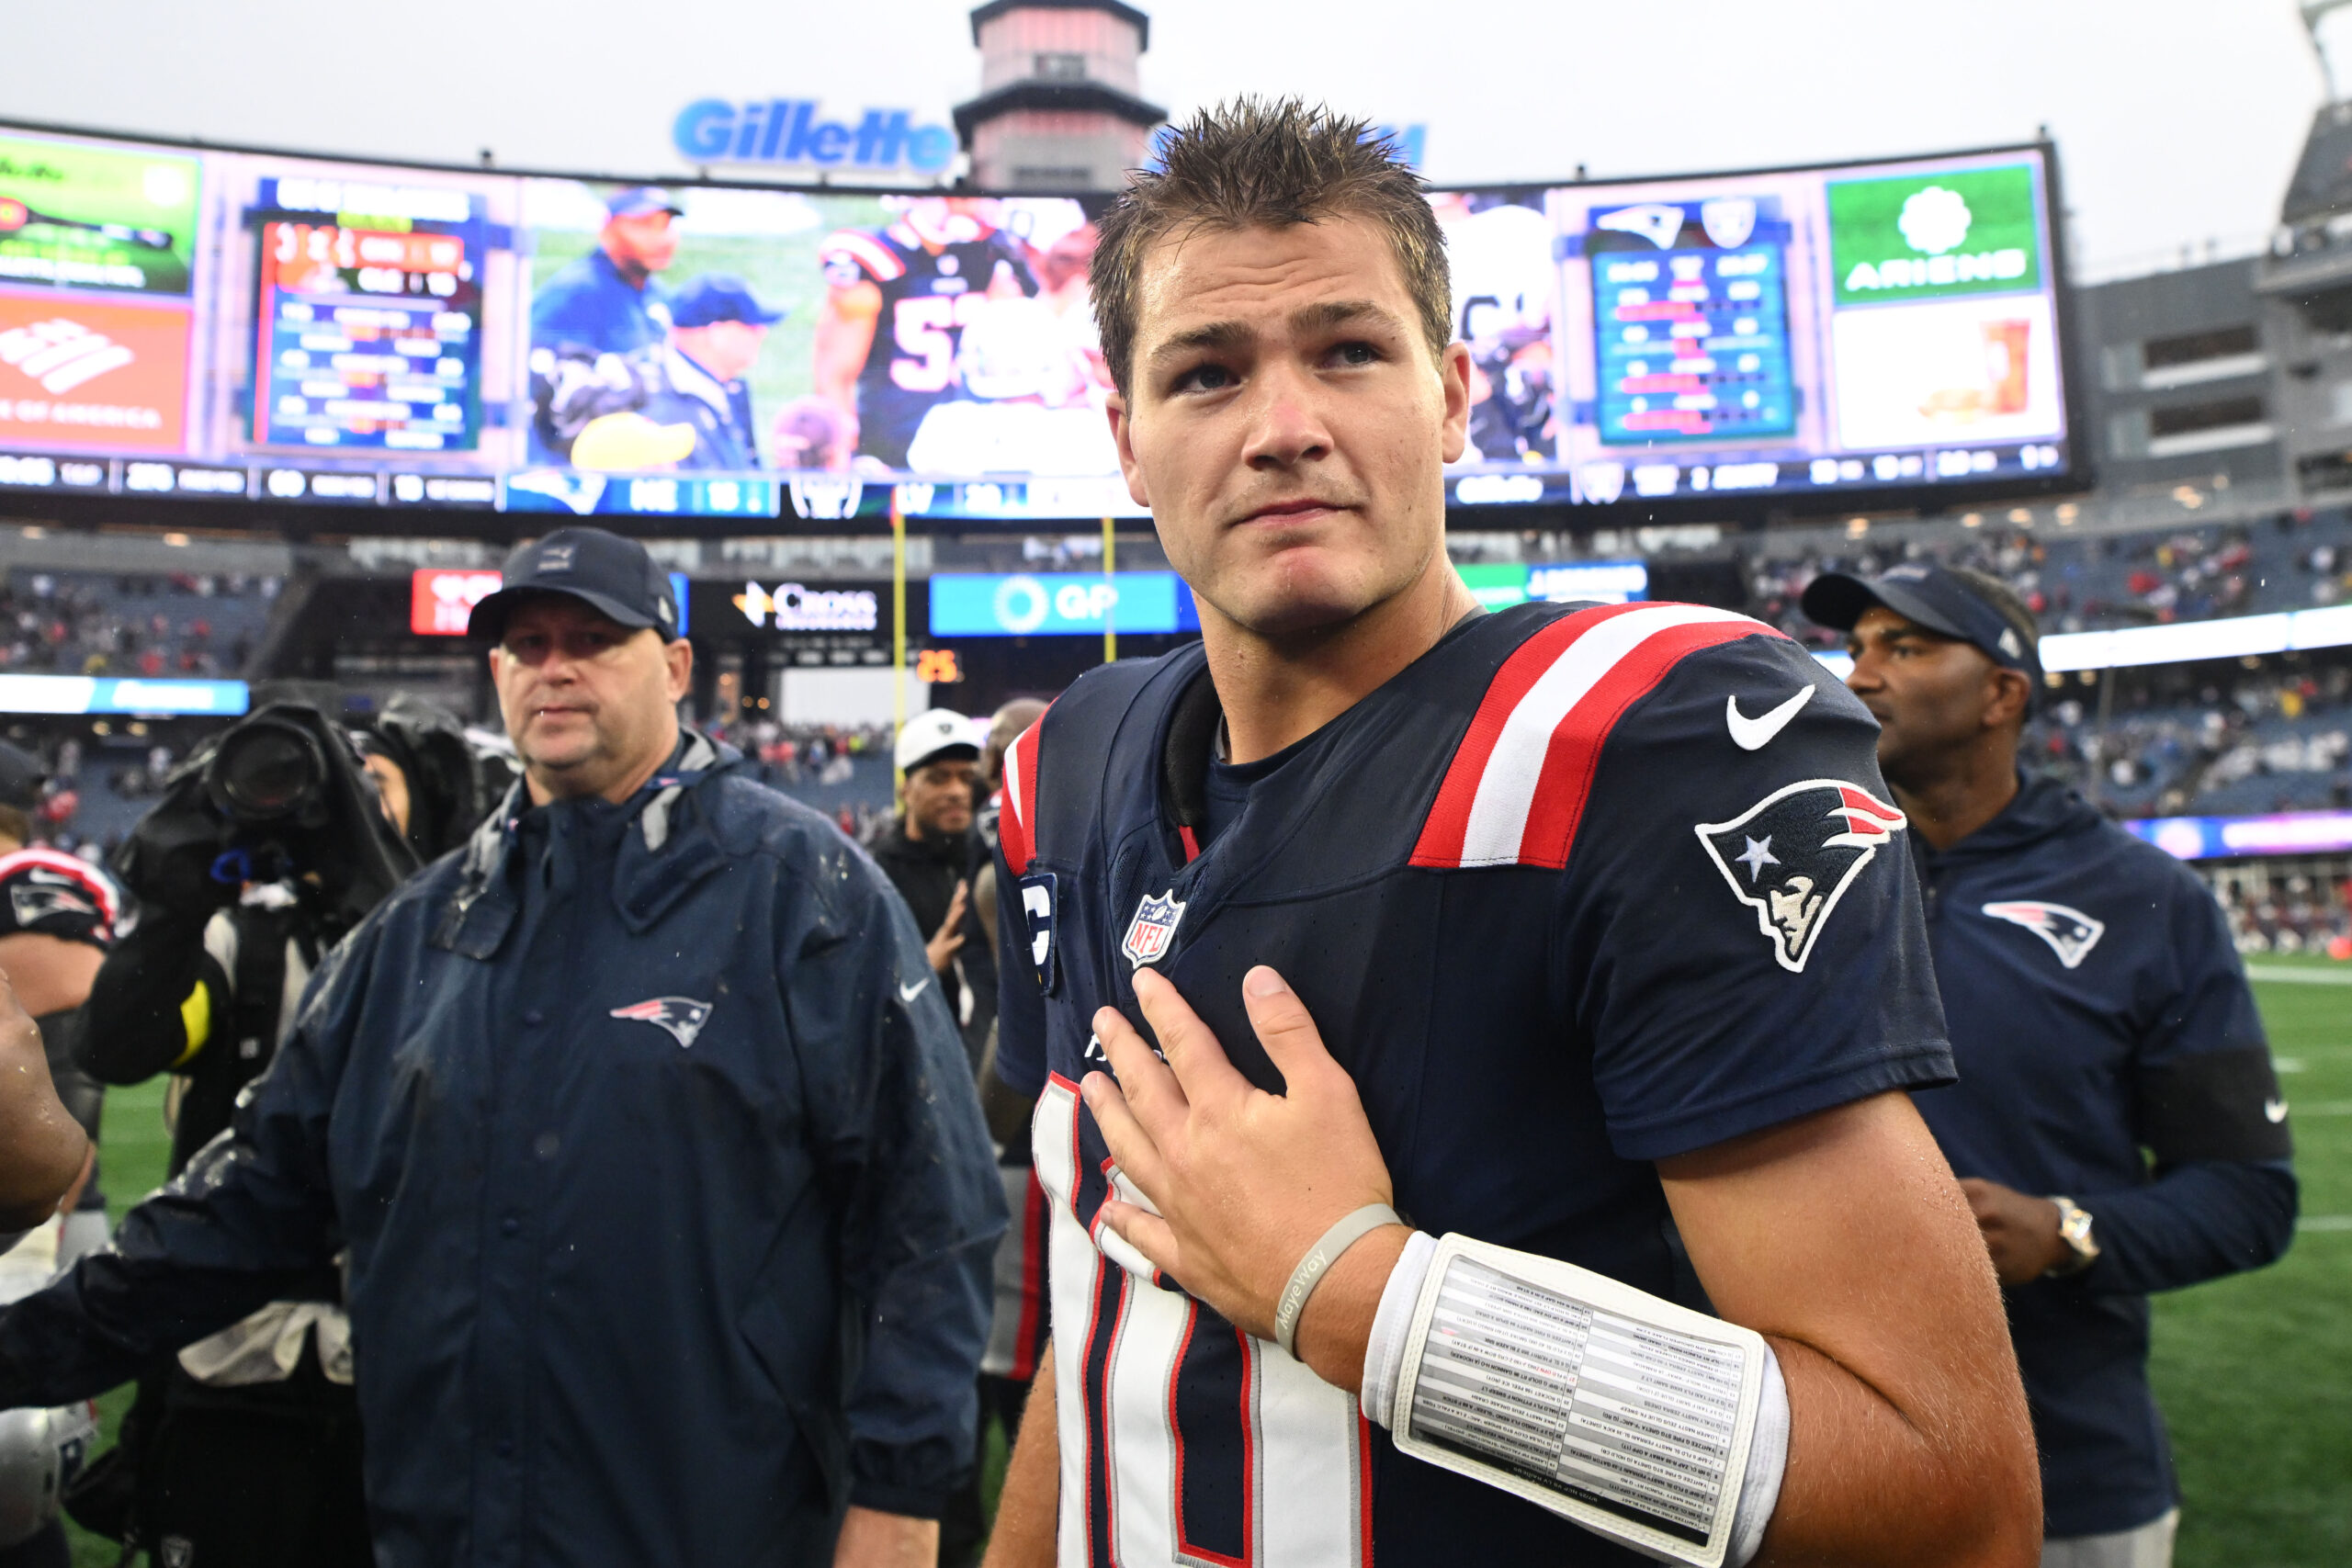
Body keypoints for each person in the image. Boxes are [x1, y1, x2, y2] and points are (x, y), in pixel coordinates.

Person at [981, 99, 2039, 1568]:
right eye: (1207, 373)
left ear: (1454, 395)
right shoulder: (1068, 765)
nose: (1284, 427)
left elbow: (1948, 1485)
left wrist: (1352, 1288)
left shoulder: (1642, 740)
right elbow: (1110, 1304)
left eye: (1349, 351)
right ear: (1128, 442)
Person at [0, 526, 1006, 1568]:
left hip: (721, 1522)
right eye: (528, 644)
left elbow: (928, 1208)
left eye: (592, 639)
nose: (554, 667)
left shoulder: (804, 891)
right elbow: (247, 1205)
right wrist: (18, 1351)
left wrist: (900, 1495)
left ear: (674, 668)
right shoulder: (413, 930)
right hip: (448, 1526)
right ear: (496, 672)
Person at [1800, 562, 2299, 1568]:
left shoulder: (2147, 900)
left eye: (1905, 646)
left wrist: (2066, 1231)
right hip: (1814, 1461)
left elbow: (2248, 1197)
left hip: (2067, 1465)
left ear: (2002, 693)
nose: (1861, 674)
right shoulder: (1793, 873)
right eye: (1856, 648)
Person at [66, 701, 424, 1568]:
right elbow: (117, 1047)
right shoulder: (244, 943)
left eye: (370, 786)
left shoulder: (453, 938)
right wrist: (171, 908)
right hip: (230, 1367)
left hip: (395, 1373)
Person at [814, 197, 1039, 468]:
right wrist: (846, 459)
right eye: (968, 196)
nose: (984, 204)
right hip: (890, 452)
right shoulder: (877, 259)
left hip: (977, 449)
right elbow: (834, 377)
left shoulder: (993, 256)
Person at [869, 708, 993, 1065]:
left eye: (966, 778)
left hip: (988, 1060)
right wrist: (919, 967)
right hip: (914, 1062)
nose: (957, 791)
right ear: (906, 789)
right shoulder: (876, 874)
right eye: (938, 778)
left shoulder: (990, 859)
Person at [636, 274, 784, 472]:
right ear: (717, 334)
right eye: (751, 325)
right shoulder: (662, 410)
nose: (762, 332)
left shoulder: (715, 387)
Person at [530, 186, 684, 359]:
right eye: (644, 225)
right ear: (608, 229)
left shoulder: (655, 292)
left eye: (666, 225)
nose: (662, 239)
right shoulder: (578, 292)